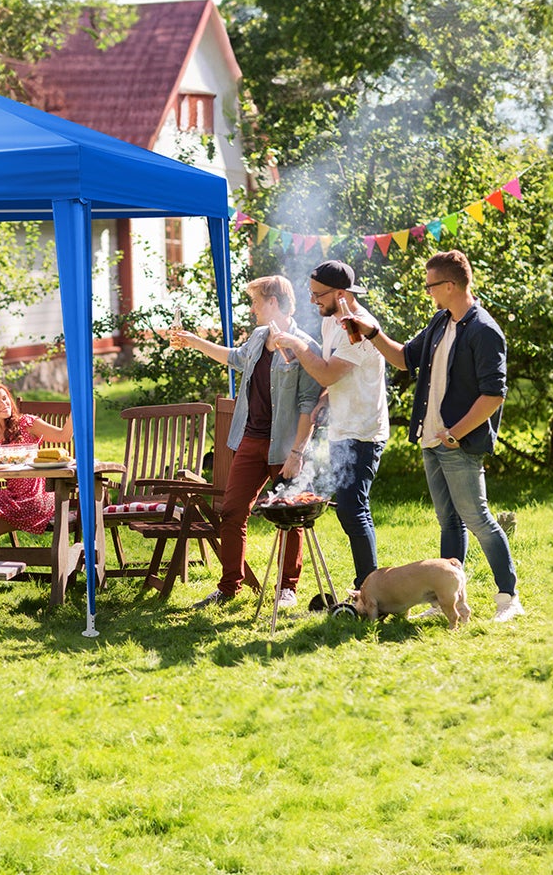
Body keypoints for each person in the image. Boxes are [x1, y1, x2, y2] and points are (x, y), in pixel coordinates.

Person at [345, 250, 523, 622]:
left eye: (430, 286)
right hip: (432, 441)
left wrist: (455, 434)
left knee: (478, 519)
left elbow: (494, 395)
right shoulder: (440, 323)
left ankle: (508, 598)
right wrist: (372, 332)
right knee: (449, 523)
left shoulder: (484, 331)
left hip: (458, 443)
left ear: (450, 285)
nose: (428, 292)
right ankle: (448, 603)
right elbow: (402, 358)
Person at [167, 275, 322, 608]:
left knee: (289, 515)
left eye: (255, 302)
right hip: (251, 439)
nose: (251, 309)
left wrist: (297, 452)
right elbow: (235, 358)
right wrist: (194, 341)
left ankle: (287, 588)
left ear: (273, 303)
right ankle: (228, 587)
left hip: (285, 445)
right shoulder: (258, 337)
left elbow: (310, 404)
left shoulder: (305, 347)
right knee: (233, 511)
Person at [270, 259, 389, 591]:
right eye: (310, 293)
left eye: (317, 294)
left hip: (364, 430)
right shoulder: (331, 319)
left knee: (353, 507)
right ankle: (367, 587)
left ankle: (369, 589)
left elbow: (323, 370)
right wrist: (324, 399)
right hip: (341, 426)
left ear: (340, 293)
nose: (312, 301)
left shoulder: (358, 328)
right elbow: (331, 374)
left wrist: (297, 345)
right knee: (347, 509)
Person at [0, 379, 73, 548]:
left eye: (5, 398)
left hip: (38, 497)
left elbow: (63, 436)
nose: (3, 404)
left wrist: (77, 408)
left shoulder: (27, 423)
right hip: (11, 495)